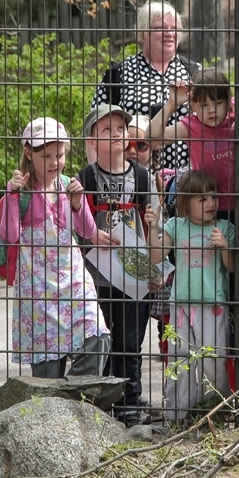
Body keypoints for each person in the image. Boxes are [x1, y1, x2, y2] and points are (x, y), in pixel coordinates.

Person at [0, 117, 110, 378]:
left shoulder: (66, 186)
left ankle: (75, 400)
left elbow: (87, 231)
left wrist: (76, 203)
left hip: (72, 284)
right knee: (48, 377)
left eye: (59, 155)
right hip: (37, 293)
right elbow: (10, 235)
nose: (54, 163)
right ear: (29, 152)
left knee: (98, 337)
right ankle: (57, 410)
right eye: (46, 156)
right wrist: (12, 196)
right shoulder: (21, 192)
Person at [79, 103, 162, 427]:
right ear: (91, 141)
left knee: (130, 340)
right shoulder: (83, 179)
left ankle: (129, 403)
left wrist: (155, 269)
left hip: (133, 273)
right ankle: (102, 402)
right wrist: (91, 235)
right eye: (106, 130)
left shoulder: (141, 176)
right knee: (102, 339)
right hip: (95, 276)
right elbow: (74, 227)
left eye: (120, 129)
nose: (116, 135)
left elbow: (155, 227)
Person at [145, 170, 234, 423]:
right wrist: (153, 227)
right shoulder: (176, 226)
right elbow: (155, 256)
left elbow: (233, 267)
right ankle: (177, 415)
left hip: (212, 307)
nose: (211, 204)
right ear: (186, 202)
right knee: (179, 361)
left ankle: (213, 412)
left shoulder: (224, 228)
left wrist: (225, 247)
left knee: (212, 361)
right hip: (181, 306)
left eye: (213, 198)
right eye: (202, 199)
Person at [91, 0, 200, 171]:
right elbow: (95, 129)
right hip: (131, 180)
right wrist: (97, 176)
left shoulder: (196, 74)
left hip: (187, 181)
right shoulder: (119, 74)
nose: (169, 34)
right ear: (143, 33)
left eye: (174, 29)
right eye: (161, 28)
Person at [148, 69, 235, 220]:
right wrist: (171, 104)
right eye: (203, 105)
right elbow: (151, 138)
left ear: (228, 101)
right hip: (208, 210)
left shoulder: (236, 115)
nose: (212, 110)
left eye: (218, 103)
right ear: (193, 105)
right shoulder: (192, 126)